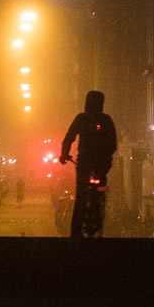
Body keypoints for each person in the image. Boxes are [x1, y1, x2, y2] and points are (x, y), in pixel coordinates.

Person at [60, 90, 118, 238]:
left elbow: (69, 136)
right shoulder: (106, 120)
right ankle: (100, 211)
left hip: (85, 163)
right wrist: (107, 157)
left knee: (81, 196)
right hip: (102, 164)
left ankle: (76, 233)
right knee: (101, 190)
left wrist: (64, 154)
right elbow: (113, 143)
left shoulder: (82, 119)